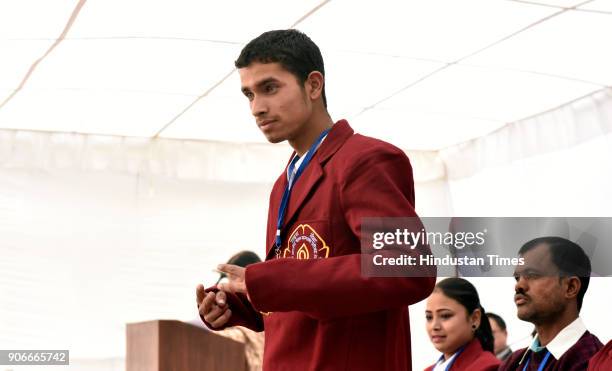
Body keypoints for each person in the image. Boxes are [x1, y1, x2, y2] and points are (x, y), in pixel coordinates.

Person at [195, 29, 436, 370]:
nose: (256, 108)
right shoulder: (284, 182)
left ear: (313, 85)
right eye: (248, 94)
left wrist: (271, 279)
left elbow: (409, 269)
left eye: (270, 88)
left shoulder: (365, 159)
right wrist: (242, 304)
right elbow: (302, 295)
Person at [499, 236, 603, 371]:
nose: (519, 286)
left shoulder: (593, 361)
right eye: (517, 278)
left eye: (532, 274)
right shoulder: (514, 362)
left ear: (570, 287)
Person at [424, 277, 500, 371]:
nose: (434, 326)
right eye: (429, 317)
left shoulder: (489, 367)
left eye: (445, 315)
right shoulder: (429, 369)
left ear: (474, 318)